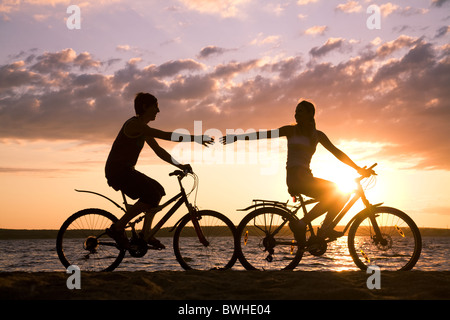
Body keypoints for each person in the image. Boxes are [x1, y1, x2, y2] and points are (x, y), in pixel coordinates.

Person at [221, 100, 373, 241]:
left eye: (300, 111)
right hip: (296, 177)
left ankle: (324, 227)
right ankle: (306, 224)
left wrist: (358, 168)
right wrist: (238, 137)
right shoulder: (290, 130)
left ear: (310, 114)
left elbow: (337, 153)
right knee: (337, 193)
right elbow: (264, 134)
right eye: (296, 111)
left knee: (339, 194)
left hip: (306, 177)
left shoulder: (317, 135)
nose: (296, 114)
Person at [105, 92, 213, 249]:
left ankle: (145, 234)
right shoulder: (134, 125)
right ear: (145, 107)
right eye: (155, 106)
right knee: (151, 194)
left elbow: (159, 151)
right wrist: (196, 138)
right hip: (118, 171)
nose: (158, 110)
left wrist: (180, 165)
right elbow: (166, 135)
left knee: (158, 190)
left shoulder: (143, 129)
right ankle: (118, 227)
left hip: (125, 170)